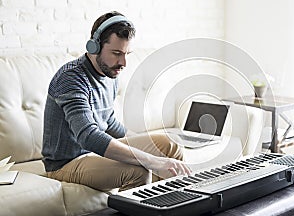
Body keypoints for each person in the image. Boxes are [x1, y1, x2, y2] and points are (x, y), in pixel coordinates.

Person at [42, 11, 190, 191]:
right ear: (94, 47)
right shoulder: (71, 78)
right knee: (137, 172)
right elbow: (88, 136)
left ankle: (175, 206)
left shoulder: (109, 73)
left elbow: (109, 122)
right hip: (67, 163)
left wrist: (147, 149)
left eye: (127, 53)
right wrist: (152, 160)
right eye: (116, 53)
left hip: (95, 155)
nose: (124, 62)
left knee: (169, 146)